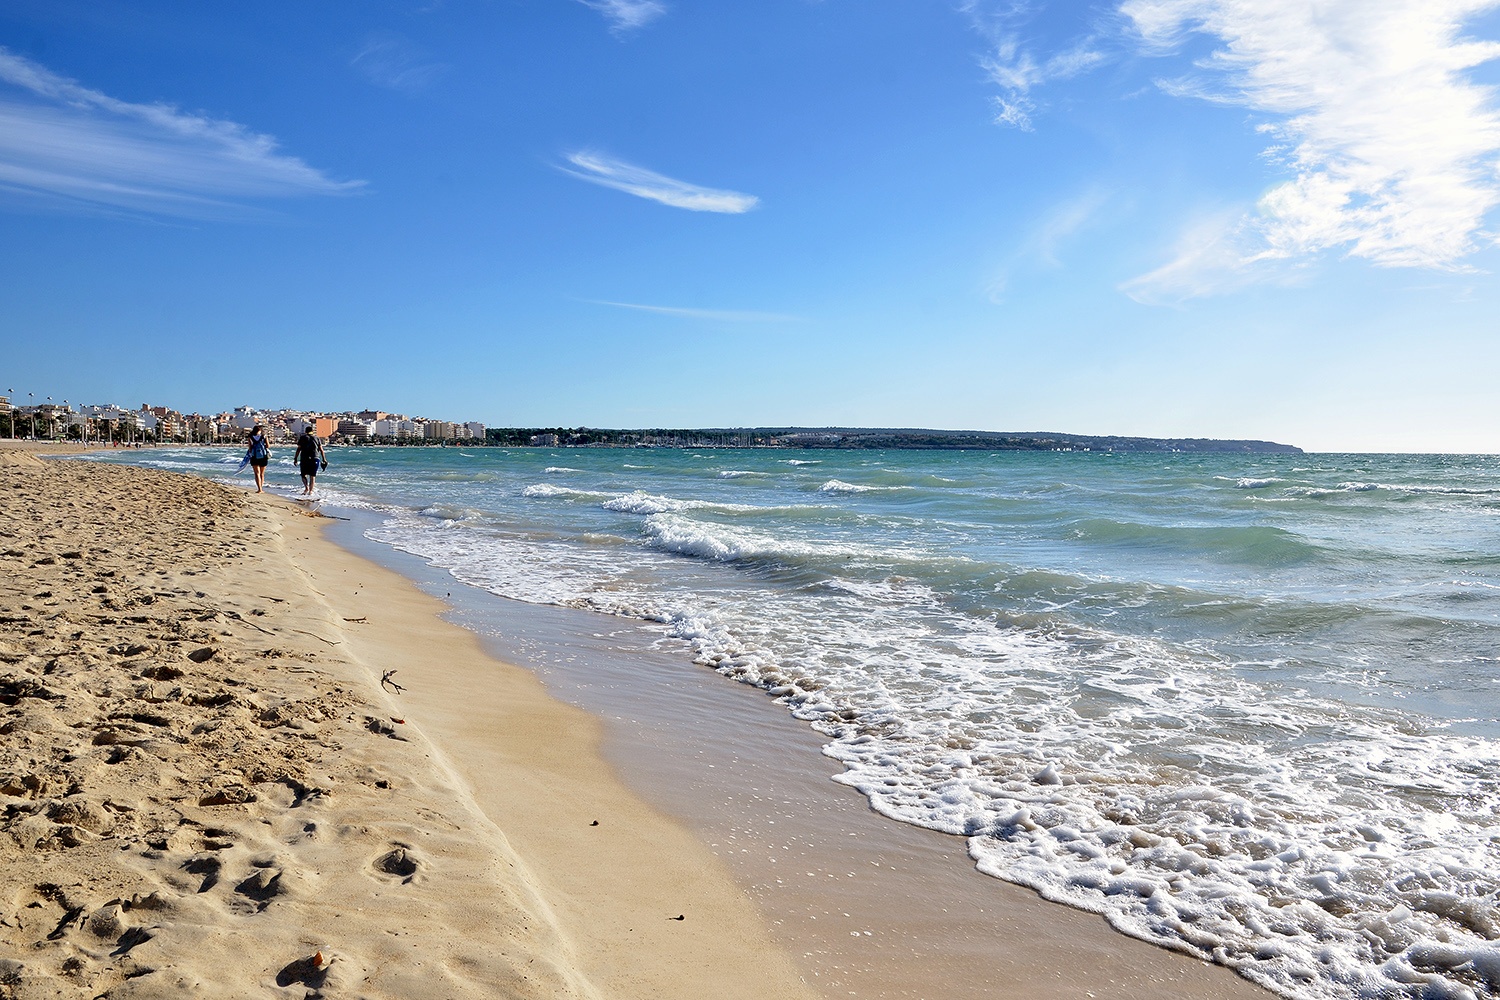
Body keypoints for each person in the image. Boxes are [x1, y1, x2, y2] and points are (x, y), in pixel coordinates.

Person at [293, 424, 327, 496]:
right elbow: (321, 449)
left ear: (305, 431)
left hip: (304, 459)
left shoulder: (303, 438)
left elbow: (298, 449)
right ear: (312, 431)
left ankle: (306, 488)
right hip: (315, 458)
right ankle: (311, 491)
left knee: (303, 475)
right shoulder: (317, 438)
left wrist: (295, 458)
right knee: (312, 476)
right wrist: (324, 459)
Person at [244, 424, 271, 493]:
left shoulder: (250, 437)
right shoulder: (264, 436)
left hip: (254, 456)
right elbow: (268, 446)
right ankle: (261, 489)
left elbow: (250, 448)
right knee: (262, 474)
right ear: (260, 430)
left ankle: (259, 489)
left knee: (257, 473)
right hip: (263, 456)